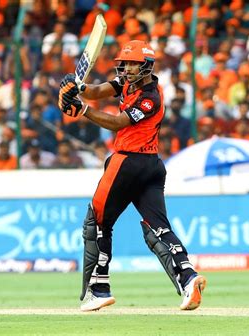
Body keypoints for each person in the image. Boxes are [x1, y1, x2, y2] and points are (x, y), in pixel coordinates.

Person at [58, 40, 206, 312]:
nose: (125, 68)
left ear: (146, 67)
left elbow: (117, 123)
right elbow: (99, 90)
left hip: (127, 162)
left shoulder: (151, 96)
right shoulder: (128, 82)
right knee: (157, 228)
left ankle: (98, 289)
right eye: (123, 63)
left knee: (97, 222)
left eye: (131, 64)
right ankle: (188, 279)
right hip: (152, 166)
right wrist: (78, 88)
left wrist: (83, 110)